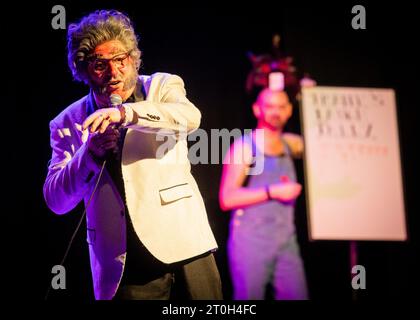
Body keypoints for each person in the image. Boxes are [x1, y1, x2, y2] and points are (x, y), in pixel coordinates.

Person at [43, 10, 222, 300]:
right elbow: (56, 201)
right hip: (123, 262)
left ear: (132, 58)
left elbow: (190, 117)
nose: (113, 73)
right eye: (100, 64)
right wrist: (89, 154)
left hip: (186, 242)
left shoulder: (162, 86)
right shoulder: (67, 122)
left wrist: (125, 113)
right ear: (83, 68)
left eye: (120, 60)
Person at [219, 87, 308, 300]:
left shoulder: (292, 143)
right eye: (269, 106)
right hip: (251, 240)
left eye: (281, 107)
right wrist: (272, 192)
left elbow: (324, 141)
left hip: (286, 239)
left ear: (289, 111)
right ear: (257, 110)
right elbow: (227, 198)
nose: (276, 112)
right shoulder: (245, 147)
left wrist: (313, 99)